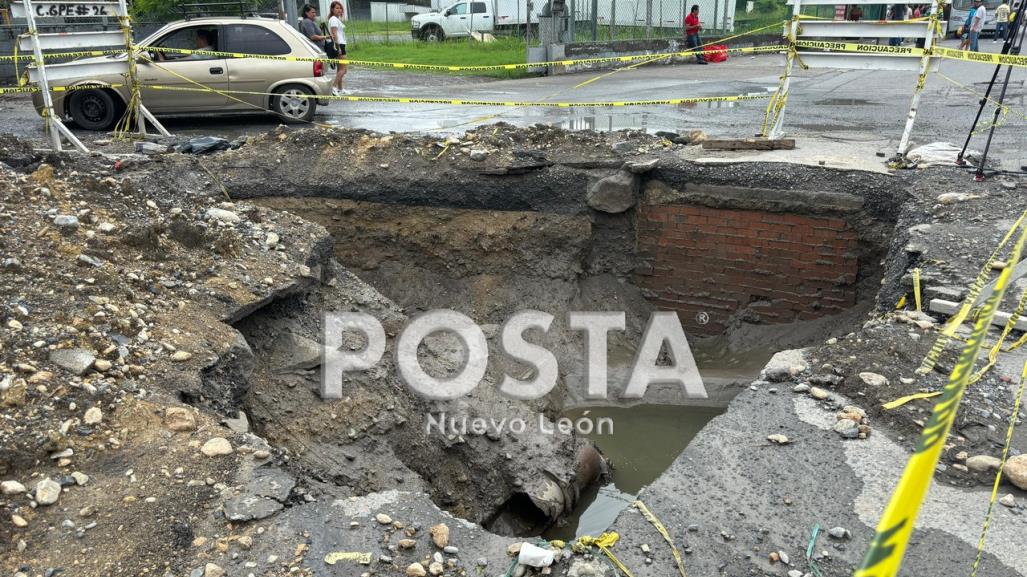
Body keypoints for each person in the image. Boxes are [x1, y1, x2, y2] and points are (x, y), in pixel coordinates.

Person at [328, 0, 348, 96]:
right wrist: (338, 47)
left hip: (341, 44)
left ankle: (340, 89)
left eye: (340, 8)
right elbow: (334, 34)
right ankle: (333, 87)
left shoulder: (336, 19)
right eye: (337, 8)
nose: (339, 10)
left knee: (340, 69)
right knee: (344, 69)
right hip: (339, 45)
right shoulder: (333, 19)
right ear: (332, 9)